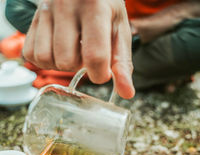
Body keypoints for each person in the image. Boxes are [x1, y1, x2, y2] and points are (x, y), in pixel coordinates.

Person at [5, 0, 200, 96]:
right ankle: (88, 53)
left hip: (155, 33)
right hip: (91, 19)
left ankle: (94, 63)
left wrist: (141, 27)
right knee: (15, 7)